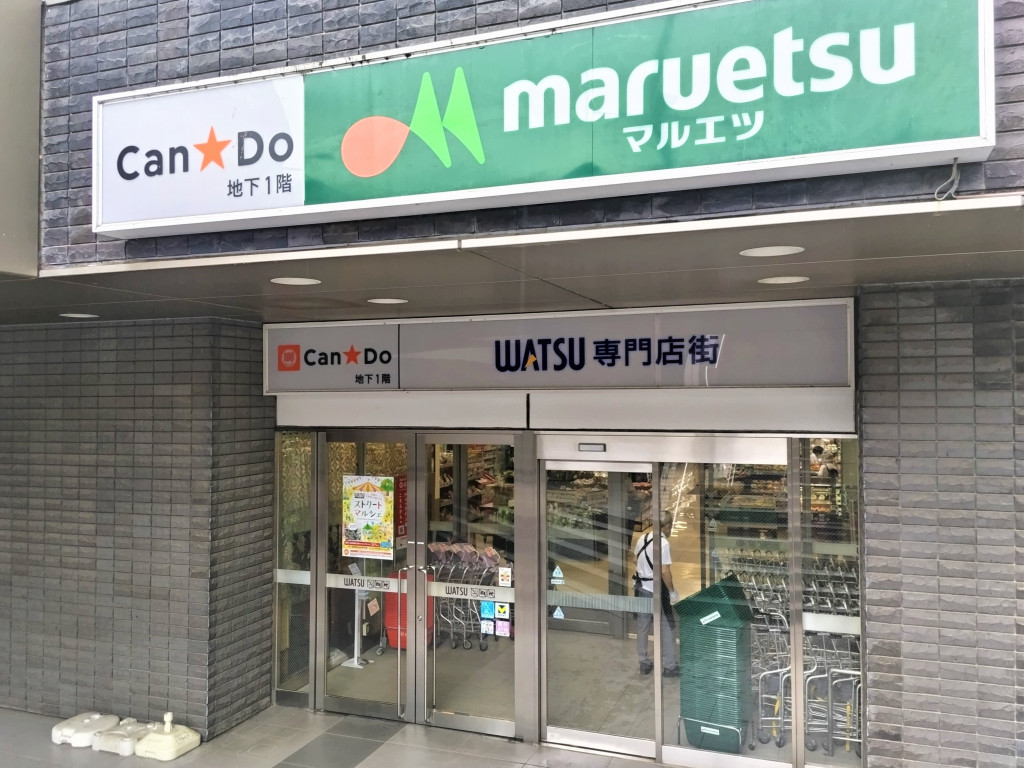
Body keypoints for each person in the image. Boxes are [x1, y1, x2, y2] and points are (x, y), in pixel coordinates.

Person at [633, 511, 680, 676]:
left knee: (643, 625)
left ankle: (644, 662)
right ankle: (670, 666)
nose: (670, 530)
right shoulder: (663, 544)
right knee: (666, 626)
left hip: (641, 588)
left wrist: (645, 570)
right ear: (667, 526)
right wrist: (672, 591)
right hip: (657, 590)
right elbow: (665, 571)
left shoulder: (642, 538)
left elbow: (635, 559)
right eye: (670, 526)